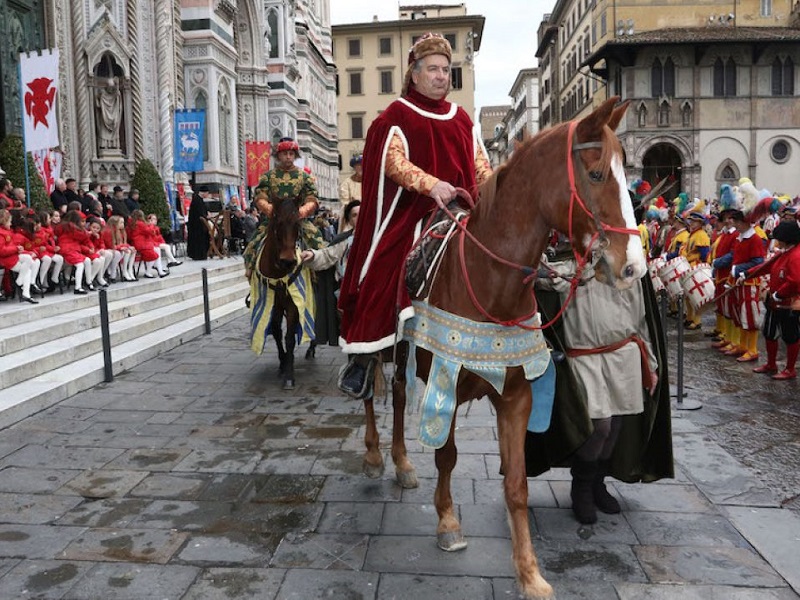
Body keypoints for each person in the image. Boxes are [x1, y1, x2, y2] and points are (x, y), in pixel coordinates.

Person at [336, 33, 492, 399]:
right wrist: (429, 183)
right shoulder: (397, 115)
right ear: (415, 74)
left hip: (463, 209)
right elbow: (392, 161)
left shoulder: (462, 119)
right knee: (383, 262)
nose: (441, 76)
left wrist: (498, 194)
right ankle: (366, 354)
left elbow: (480, 167)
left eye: (446, 69)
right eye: (434, 69)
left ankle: (525, 335)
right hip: (415, 210)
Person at [526, 243, 671, 525]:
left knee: (616, 422)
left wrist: (650, 363)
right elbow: (544, 277)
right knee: (599, 425)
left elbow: (642, 320)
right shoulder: (570, 266)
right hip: (585, 355)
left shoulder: (629, 267)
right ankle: (581, 485)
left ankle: (598, 483)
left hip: (623, 353)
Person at [243, 137, 322, 279]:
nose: (288, 157)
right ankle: (251, 271)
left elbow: (312, 197)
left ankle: (318, 273)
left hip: (298, 219)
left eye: (291, 154)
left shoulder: (305, 177)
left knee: (317, 239)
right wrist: (271, 210)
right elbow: (260, 196)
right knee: (254, 243)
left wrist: (302, 211)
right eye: (285, 154)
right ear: (278, 156)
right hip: (274, 219)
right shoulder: (268, 177)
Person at [301, 200, 361, 349]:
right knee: (351, 339)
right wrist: (312, 255)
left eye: (362, 214)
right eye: (354, 215)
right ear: (349, 220)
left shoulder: (379, 239)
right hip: (348, 296)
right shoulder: (344, 241)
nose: (359, 218)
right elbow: (327, 256)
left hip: (372, 295)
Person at [744, 221, 800, 379]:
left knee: (790, 337)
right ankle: (771, 364)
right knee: (769, 333)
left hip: (787, 304)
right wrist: (747, 273)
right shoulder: (783, 252)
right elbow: (766, 267)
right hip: (774, 302)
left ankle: (790, 369)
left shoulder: (795, 256)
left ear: (786, 239)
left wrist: (779, 294)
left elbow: (795, 281)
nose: (775, 240)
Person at [0, 209, 40, 303]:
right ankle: (23, 289)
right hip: (6, 259)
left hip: (11, 256)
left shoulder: (7, 231)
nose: (10, 224)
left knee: (28, 261)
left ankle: (23, 288)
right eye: (9, 222)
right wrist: (16, 249)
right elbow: (1, 251)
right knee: (27, 269)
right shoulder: (1, 233)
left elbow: (10, 246)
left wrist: (18, 248)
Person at [128, 209, 167, 277]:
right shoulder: (140, 223)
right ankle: (151, 271)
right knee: (155, 254)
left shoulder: (133, 223)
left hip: (138, 243)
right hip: (143, 245)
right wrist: (151, 224)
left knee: (157, 250)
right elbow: (150, 231)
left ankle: (159, 271)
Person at [102, 215, 136, 282]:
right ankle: (113, 273)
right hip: (107, 249)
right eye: (121, 223)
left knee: (131, 250)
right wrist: (122, 247)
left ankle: (128, 271)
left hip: (114, 248)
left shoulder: (120, 231)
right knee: (120, 252)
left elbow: (121, 244)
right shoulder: (108, 231)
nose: (123, 224)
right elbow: (110, 245)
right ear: (114, 224)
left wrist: (127, 246)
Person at [339, 154, 363, 232]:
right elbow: (345, 201)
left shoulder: (372, 181)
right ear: (354, 168)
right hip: (353, 214)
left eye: (362, 165)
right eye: (358, 166)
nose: (361, 167)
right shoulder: (347, 183)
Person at [186, 186, 210, 260]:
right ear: (204, 193)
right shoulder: (197, 200)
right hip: (197, 225)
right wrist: (206, 216)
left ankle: (201, 254)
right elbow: (200, 213)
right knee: (198, 240)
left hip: (198, 225)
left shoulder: (199, 200)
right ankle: (198, 255)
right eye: (207, 193)